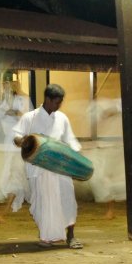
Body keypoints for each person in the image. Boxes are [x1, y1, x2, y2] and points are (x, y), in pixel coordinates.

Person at [13, 84, 83, 249]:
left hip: (60, 166)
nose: (58, 106)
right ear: (47, 99)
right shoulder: (30, 117)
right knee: (43, 202)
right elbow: (16, 136)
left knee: (67, 199)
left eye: (60, 103)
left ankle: (71, 236)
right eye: (56, 102)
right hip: (39, 168)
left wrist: (77, 157)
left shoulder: (62, 118)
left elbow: (70, 140)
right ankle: (46, 237)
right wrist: (22, 141)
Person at [0, 78, 32, 223]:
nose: (7, 86)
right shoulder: (2, 102)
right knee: (7, 177)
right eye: (5, 84)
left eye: (9, 83)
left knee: (15, 177)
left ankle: (3, 211)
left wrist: (16, 113)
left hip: (20, 143)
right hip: (8, 144)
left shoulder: (24, 99)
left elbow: (29, 118)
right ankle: (3, 209)